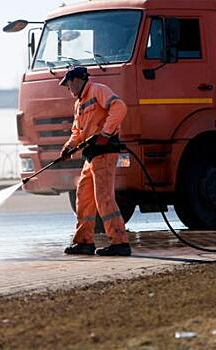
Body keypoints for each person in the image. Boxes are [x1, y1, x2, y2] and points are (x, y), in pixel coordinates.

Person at [59, 66, 131, 256]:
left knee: (104, 198)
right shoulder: (79, 104)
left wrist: (106, 133)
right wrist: (68, 147)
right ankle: (84, 242)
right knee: (83, 196)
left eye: (68, 84)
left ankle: (120, 243)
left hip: (105, 153)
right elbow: (77, 132)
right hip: (92, 156)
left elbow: (119, 107)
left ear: (76, 80)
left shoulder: (98, 90)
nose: (68, 89)